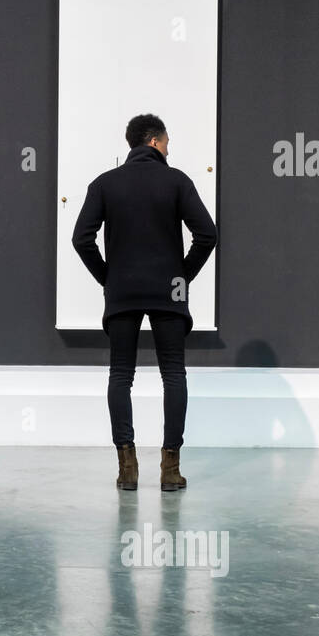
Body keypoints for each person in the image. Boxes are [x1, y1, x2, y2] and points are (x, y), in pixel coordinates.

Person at [71, 113, 217, 492]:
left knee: (121, 375)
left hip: (122, 289)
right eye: (167, 142)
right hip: (169, 289)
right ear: (154, 141)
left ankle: (127, 468)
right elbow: (207, 234)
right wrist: (181, 276)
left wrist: (108, 276)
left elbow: (81, 239)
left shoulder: (104, 184)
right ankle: (170, 470)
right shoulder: (177, 181)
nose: (170, 149)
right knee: (174, 374)